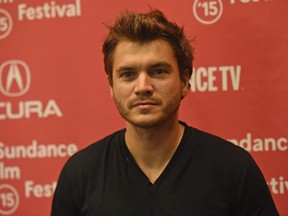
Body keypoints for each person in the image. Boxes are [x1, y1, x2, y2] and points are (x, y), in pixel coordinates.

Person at [51, 9, 279, 216]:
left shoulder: (234, 169)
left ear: (185, 81)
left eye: (158, 71)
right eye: (128, 74)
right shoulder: (80, 174)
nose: (142, 87)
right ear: (111, 86)